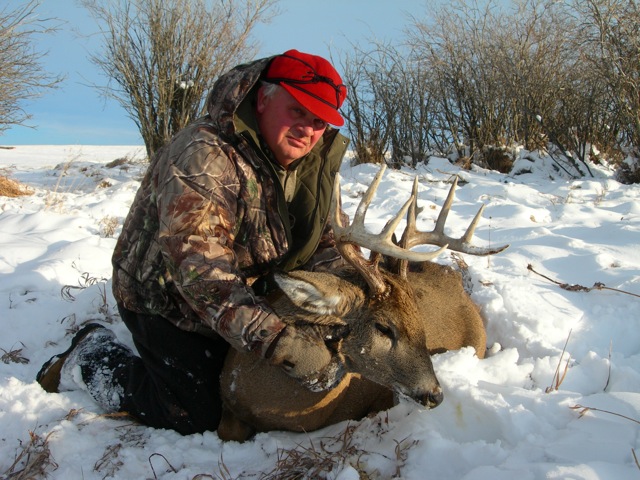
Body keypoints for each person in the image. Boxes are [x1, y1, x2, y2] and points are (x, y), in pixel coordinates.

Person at [36, 49, 349, 434]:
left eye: (319, 120)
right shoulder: (204, 156)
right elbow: (203, 275)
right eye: (297, 111)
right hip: (167, 299)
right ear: (263, 99)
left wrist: (356, 292)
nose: (308, 129)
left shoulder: (309, 164)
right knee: (197, 412)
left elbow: (324, 244)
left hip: (252, 292)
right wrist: (282, 344)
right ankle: (90, 357)